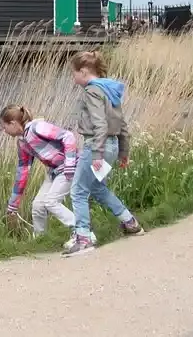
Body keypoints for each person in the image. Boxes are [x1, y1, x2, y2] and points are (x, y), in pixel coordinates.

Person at [62, 50, 144, 256]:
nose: (73, 78)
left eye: (74, 73)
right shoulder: (110, 89)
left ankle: (83, 238)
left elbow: (99, 124)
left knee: (78, 191)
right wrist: (123, 151)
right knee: (98, 188)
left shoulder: (92, 91)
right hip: (112, 146)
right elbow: (122, 124)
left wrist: (96, 156)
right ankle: (130, 222)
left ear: (83, 72)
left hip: (96, 147)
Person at [0, 104, 78, 239]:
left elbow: (68, 136)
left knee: (51, 202)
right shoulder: (22, 142)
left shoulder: (37, 127)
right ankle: (40, 239)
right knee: (38, 205)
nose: (3, 130)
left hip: (69, 168)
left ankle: (82, 231)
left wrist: (70, 164)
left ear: (12, 123)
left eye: (4, 126)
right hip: (54, 172)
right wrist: (13, 204)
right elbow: (23, 171)